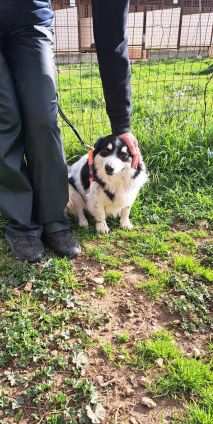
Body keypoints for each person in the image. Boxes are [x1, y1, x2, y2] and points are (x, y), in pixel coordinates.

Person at [0, 0, 141, 263]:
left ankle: (54, 216)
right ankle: (21, 221)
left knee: (43, 116)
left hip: (30, 20)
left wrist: (121, 124)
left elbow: (112, 31)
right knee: (5, 117)